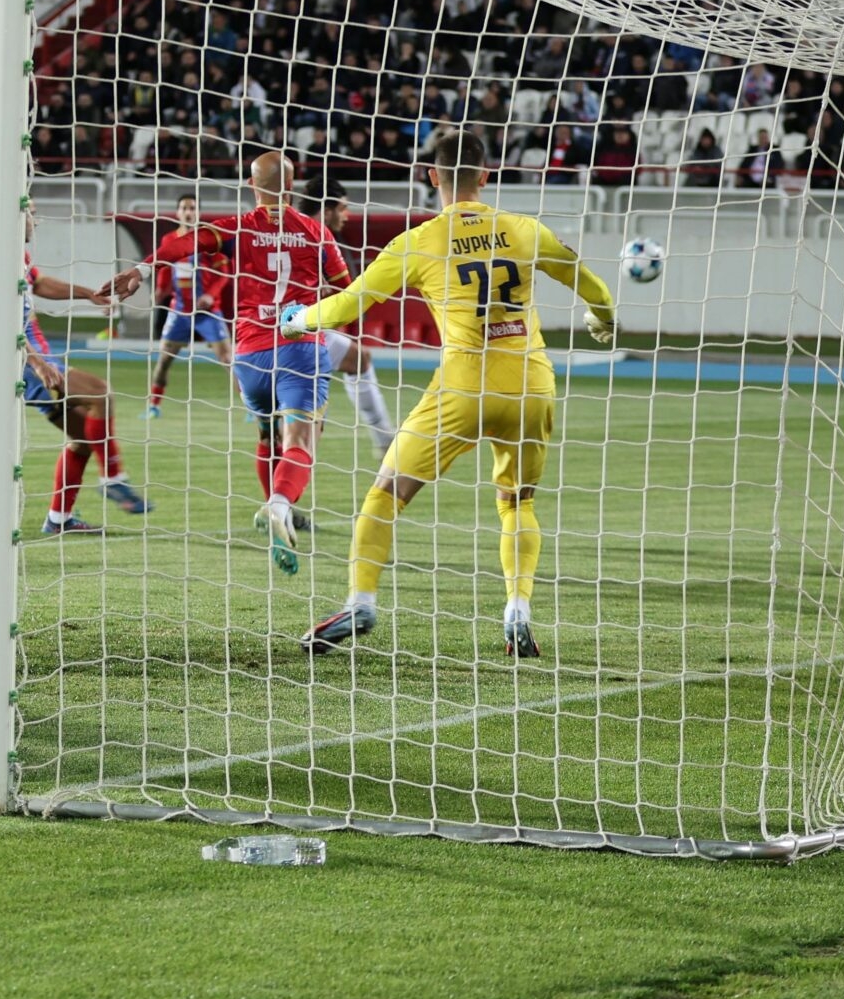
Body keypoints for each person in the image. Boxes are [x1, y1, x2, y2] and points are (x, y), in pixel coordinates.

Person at [279, 127, 616, 660]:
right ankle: (517, 609)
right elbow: (590, 283)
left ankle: (361, 601)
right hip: (531, 386)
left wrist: (298, 320)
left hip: (464, 385)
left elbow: (346, 306)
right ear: (486, 176)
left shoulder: (419, 240)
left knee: (387, 492)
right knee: (518, 502)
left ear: (432, 176)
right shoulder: (524, 229)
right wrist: (603, 318)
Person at [199, 152, 348, 574]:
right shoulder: (314, 231)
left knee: (268, 434)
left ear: (251, 185)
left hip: (249, 354)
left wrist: (144, 266)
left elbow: (190, 243)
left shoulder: (238, 228)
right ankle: (280, 507)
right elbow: (348, 295)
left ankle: (276, 508)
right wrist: (319, 304)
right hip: (299, 345)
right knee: (302, 439)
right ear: (293, 185)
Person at [0, 236, 149, 535]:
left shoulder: (13, 251)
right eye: (31, 215)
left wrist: (88, 294)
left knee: (84, 439)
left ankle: (58, 519)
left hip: (33, 360)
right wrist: (38, 364)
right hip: (25, 362)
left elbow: (39, 284)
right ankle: (113, 478)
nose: (34, 220)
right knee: (100, 394)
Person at [313, 192, 398, 457]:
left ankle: (385, 439)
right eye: (343, 208)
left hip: (292, 330)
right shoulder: (311, 235)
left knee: (358, 359)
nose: (347, 215)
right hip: (292, 332)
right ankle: (385, 440)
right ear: (327, 211)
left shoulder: (296, 231)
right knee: (304, 424)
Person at [143, 194, 230, 414]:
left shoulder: (208, 238)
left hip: (208, 312)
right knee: (164, 359)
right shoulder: (169, 240)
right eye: (184, 208)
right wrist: (160, 291)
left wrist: (210, 295)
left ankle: (252, 408)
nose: (188, 212)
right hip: (179, 311)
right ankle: (153, 407)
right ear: (178, 212)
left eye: (192, 208)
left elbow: (224, 273)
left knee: (228, 359)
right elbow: (165, 267)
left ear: (198, 212)